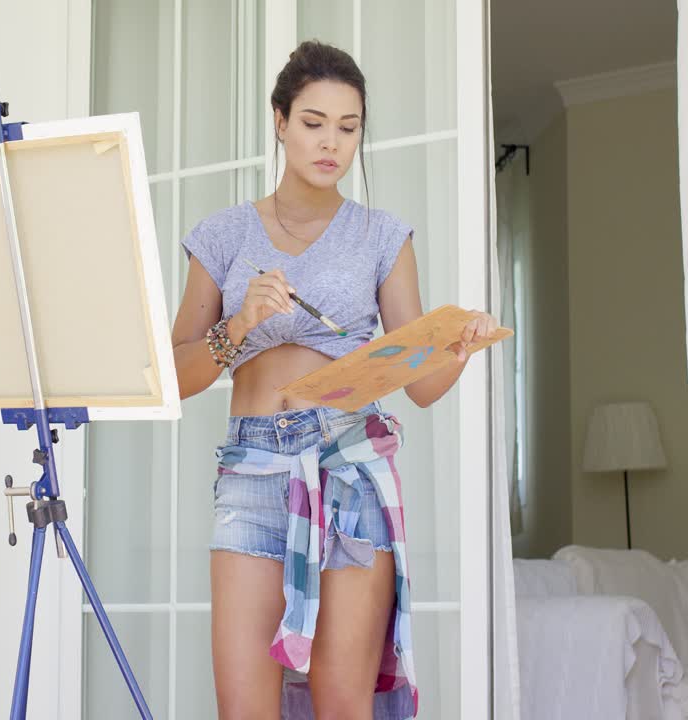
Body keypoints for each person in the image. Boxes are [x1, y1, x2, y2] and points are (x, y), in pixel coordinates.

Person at [170, 40, 498, 719]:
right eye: (314, 123)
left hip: (351, 466)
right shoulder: (224, 234)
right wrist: (241, 325)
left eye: (348, 129)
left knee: (343, 703)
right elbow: (175, 374)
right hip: (253, 468)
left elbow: (420, 384)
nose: (331, 143)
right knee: (244, 707)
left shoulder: (384, 236)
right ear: (280, 121)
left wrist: (457, 349)